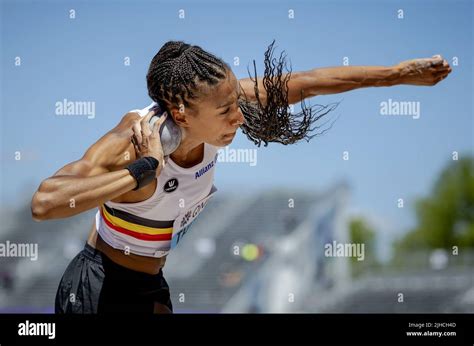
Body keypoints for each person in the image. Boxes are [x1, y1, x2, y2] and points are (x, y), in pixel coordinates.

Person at [30, 40, 451, 314]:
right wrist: (144, 169)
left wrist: (396, 75)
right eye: (226, 111)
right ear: (181, 113)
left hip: (151, 282)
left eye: (237, 102)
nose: (239, 116)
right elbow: (45, 203)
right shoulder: (132, 140)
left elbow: (306, 83)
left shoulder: (215, 101)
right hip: (98, 284)